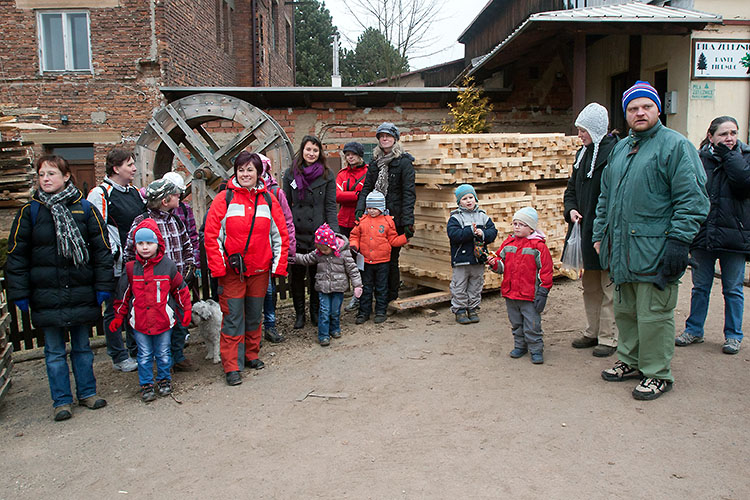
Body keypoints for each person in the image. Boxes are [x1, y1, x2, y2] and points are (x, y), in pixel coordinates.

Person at [593, 81, 709, 401]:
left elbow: (692, 200)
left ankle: (657, 372)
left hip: (656, 249)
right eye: (632, 108)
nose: (639, 112)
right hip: (622, 249)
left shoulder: (675, 146)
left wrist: (679, 242)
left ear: (658, 109)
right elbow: (606, 196)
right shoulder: (620, 147)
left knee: (654, 313)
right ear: (626, 113)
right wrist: (599, 235)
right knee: (626, 310)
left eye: (646, 106)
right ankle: (631, 360)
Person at [6, 155, 112, 421]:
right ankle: (62, 401)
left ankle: (87, 393)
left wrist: (102, 287)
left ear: (66, 177)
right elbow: (17, 256)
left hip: (79, 290)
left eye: (51, 173)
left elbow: (101, 251)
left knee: (82, 348)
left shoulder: (85, 210)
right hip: (47, 293)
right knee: (54, 351)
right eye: (42, 174)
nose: (45, 179)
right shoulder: (30, 212)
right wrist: (19, 293)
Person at [204, 152, 289, 386]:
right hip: (233, 274)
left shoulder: (268, 200)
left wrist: (278, 266)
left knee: (253, 315)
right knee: (232, 319)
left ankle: (251, 354)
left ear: (258, 173)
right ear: (235, 172)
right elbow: (212, 237)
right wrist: (220, 267)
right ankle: (232, 364)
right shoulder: (224, 200)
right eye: (241, 170)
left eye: (250, 170)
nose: (245, 174)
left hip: (259, 271)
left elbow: (279, 235)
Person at [675, 116, 750, 355]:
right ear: (711, 137)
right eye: (723, 134)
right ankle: (694, 329)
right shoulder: (699, 159)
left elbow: (743, 184)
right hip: (703, 234)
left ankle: (733, 335)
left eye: (733, 133)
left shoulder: (744, 158)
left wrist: (730, 156)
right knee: (700, 287)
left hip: (734, 236)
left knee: (733, 289)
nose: (729, 138)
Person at [110, 220, 192, 402]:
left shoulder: (168, 266)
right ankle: (146, 384)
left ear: (158, 244)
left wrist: (185, 310)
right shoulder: (131, 269)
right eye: (140, 244)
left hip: (163, 320)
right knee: (144, 355)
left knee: (163, 353)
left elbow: (180, 290)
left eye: (149, 243)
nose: (145, 247)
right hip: (139, 322)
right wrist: (118, 316)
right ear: (135, 245)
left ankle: (164, 380)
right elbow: (122, 296)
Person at [563, 103, 619, 357]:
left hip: (605, 231)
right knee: (591, 285)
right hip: (584, 230)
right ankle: (592, 330)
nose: (580, 135)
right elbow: (571, 189)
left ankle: (609, 336)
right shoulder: (581, 154)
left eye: (583, 130)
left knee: (609, 287)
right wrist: (571, 209)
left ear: (595, 129)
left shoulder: (615, 153)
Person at [124, 178, 197, 373]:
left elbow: (186, 244)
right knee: (161, 323)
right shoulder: (142, 223)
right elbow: (130, 253)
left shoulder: (175, 220)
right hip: (154, 288)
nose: (179, 197)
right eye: (175, 195)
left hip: (177, 283)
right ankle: (162, 360)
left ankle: (177, 356)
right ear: (165, 200)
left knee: (181, 320)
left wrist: (190, 265)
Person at [87, 148, 145, 373]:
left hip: (136, 262)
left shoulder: (133, 192)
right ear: (115, 168)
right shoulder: (100, 193)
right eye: (129, 164)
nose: (133, 169)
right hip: (115, 265)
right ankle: (118, 355)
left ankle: (135, 350)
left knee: (134, 307)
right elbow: (97, 231)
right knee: (115, 310)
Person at [355, 122, 416, 303]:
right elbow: (367, 187)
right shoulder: (375, 163)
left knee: (392, 259)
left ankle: (391, 296)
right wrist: (360, 208)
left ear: (395, 139)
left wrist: (407, 221)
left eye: (388, 136)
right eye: (381, 136)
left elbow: (408, 193)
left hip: (395, 218)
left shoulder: (404, 162)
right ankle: (377, 297)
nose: (385, 139)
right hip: (375, 217)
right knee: (375, 259)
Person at [282, 135, 338, 329]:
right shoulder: (290, 174)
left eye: (315, 150)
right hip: (296, 233)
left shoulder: (327, 175)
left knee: (317, 276)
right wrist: (285, 234)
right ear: (302, 150)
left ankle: (315, 311)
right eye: (308, 149)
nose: (311, 153)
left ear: (319, 152)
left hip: (319, 234)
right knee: (296, 276)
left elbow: (331, 206)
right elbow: (285, 207)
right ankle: (299, 314)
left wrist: (335, 234)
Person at [487, 207, 552, 365]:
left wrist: (543, 292)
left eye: (521, 224)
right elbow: (501, 264)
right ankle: (520, 345)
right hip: (511, 293)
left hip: (530, 295)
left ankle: (536, 349)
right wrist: (494, 264)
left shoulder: (538, 247)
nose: (516, 227)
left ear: (531, 228)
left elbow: (546, 270)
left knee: (532, 324)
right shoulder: (508, 243)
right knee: (516, 322)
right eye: (515, 223)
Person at [294, 223, 363, 346]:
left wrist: (357, 285)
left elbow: (352, 269)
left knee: (335, 311)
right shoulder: (319, 253)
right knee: (324, 311)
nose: (323, 252)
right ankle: (323, 335)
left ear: (332, 244)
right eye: (320, 249)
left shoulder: (343, 253)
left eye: (325, 249)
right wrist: (293, 257)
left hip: (339, 287)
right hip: (323, 287)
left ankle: (335, 329)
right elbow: (306, 259)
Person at [350, 191, 409, 324]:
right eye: (369, 207)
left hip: (383, 261)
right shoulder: (362, 221)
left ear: (381, 208)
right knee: (366, 287)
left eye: (375, 208)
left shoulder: (388, 222)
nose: (371, 210)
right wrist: (354, 245)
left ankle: (381, 311)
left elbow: (393, 240)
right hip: (365, 261)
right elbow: (354, 236)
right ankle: (363, 312)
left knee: (382, 287)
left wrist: (405, 237)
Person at [447, 184, 497, 324]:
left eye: (471, 197)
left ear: (475, 199)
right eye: (464, 198)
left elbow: (493, 232)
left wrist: (483, 234)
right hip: (461, 259)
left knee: (476, 284)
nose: (468, 201)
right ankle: (460, 310)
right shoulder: (455, 218)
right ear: (459, 202)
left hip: (478, 258)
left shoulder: (483, 216)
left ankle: (473, 307)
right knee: (459, 285)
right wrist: (470, 232)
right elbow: (453, 235)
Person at [259, 153, 296, 344]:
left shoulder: (274, 193)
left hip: (270, 249)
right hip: (250, 251)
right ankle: (253, 330)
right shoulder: (239, 192)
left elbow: (287, 221)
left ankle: (270, 326)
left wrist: (288, 248)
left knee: (269, 291)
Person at [336, 141, 368, 312]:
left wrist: (350, 195)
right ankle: (348, 294)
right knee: (344, 260)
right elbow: (337, 195)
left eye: (353, 154)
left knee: (361, 261)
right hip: (343, 222)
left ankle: (360, 296)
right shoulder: (342, 174)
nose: (350, 157)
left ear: (359, 155)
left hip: (361, 221)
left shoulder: (368, 172)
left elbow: (368, 194)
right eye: (347, 154)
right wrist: (357, 194)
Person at [163, 171, 201, 298]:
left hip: (183, 264)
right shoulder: (153, 213)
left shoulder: (184, 209)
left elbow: (193, 237)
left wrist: (194, 264)